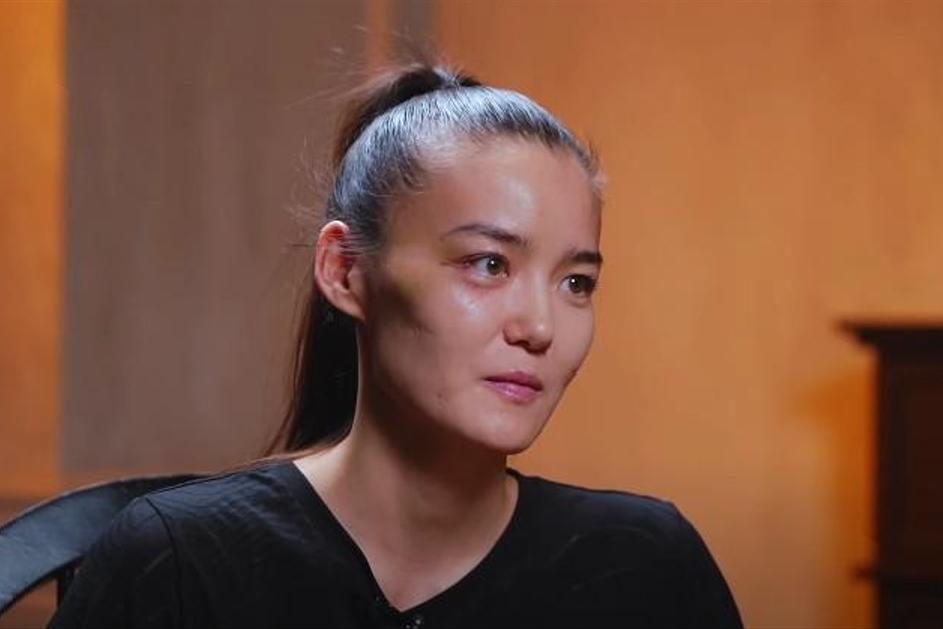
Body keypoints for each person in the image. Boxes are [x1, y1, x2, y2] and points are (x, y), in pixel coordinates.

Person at [48, 62, 743, 629]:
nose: (539, 326)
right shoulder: (177, 563)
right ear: (345, 270)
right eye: (488, 264)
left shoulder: (645, 567)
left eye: (576, 282)